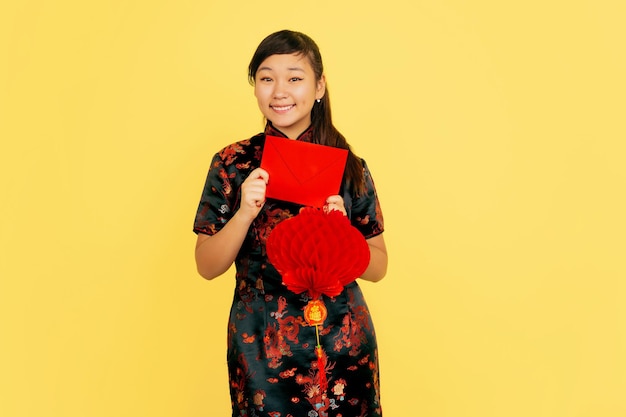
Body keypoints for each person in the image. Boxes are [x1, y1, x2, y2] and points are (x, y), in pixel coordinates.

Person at [193, 29, 387, 417]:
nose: (279, 91)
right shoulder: (233, 163)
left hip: (343, 344)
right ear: (255, 88)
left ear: (319, 87)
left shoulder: (349, 166)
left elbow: (379, 267)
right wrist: (245, 213)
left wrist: (345, 233)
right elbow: (206, 266)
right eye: (267, 78)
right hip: (262, 347)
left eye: (294, 78)